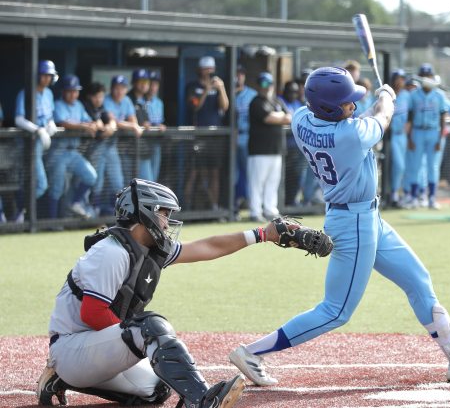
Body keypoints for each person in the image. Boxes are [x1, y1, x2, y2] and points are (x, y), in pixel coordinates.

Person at [228, 66, 450, 387]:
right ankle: (251, 352)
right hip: (353, 223)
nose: (353, 106)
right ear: (331, 108)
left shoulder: (303, 118)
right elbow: (381, 119)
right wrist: (386, 96)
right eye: (346, 102)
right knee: (336, 310)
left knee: (418, 280)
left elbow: (362, 118)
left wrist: (373, 100)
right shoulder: (350, 134)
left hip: (366, 217)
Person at [35, 178, 299, 407]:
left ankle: (60, 380)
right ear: (145, 213)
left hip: (93, 350)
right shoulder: (111, 252)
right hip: (72, 348)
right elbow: (92, 314)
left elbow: (207, 247)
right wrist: (137, 340)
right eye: (163, 212)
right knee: (150, 326)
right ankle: (203, 400)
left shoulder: (147, 248)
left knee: (157, 389)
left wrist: (263, 234)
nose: (167, 221)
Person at [47, 75, 98, 219]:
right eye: (69, 91)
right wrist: (83, 126)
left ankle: (75, 203)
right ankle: (52, 221)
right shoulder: (57, 104)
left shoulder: (79, 106)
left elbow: (89, 121)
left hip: (73, 153)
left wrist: (95, 124)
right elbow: (63, 123)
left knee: (91, 176)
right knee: (57, 188)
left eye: (75, 91)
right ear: (63, 91)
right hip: (58, 153)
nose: (73, 94)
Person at [14, 60, 58, 221]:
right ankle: (20, 211)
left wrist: (50, 124)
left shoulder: (49, 94)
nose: (47, 78)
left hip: (44, 144)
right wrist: (38, 130)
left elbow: (49, 116)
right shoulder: (25, 92)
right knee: (40, 184)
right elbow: (18, 119)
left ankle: (20, 213)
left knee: (38, 183)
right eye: (44, 75)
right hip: (28, 145)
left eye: (49, 75)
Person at [184, 56, 230, 210]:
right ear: (200, 70)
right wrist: (206, 90)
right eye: (206, 69)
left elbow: (224, 107)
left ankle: (214, 206)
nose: (208, 73)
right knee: (195, 172)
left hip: (215, 136)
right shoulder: (193, 86)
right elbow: (195, 107)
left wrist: (221, 88)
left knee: (214, 172)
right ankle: (188, 207)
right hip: (199, 135)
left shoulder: (217, 87)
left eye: (211, 69)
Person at [247, 72, 291, 221]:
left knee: (273, 182)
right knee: (257, 183)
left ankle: (270, 210)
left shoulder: (277, 101)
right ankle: (255, 211)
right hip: (259, 150)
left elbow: (289, 117)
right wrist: (280, 116)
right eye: (263, 84)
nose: (266, 88)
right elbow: (268, 118)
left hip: (276, 149)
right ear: (259, 86)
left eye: (269, 84)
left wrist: (278, 116)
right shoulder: (256, 102)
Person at [407, 64, 449, 210]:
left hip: (433, 132)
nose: (426, 78)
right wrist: (409, 138)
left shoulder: (439, 95)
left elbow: (443, 117)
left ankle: (432, 197)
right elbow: (410, 117)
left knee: (433, 166)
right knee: (415, 165)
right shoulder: (413, 95)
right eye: (424, 76)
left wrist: (440, 137)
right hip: (418, 131)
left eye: (429, 75)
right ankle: (413, 197)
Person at [102, 75, 142, 214]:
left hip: (114, 146)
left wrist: (132, 125)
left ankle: (112, 214)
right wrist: (131, 126)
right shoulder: (106, 100)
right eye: (116, 88)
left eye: (122, 88)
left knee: (117, 183)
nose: (119, 91)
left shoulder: (126, 101)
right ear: (111, 89)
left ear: (126, 90)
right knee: (99, 183)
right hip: (100, 144)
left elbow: (134, 121)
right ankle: (94, 213)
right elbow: (114, 121)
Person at [82, 81, 120, 216]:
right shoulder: (85, 106)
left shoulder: (101, 106)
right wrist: (101, 126)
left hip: (104, 148)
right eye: (96, 97)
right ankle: (93, 210)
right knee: (95, 182)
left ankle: (113, 213)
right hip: (87, 150)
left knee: (115, 182)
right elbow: (94, 123)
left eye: (101, 96)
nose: (98, 100)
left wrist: (111, 125)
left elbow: (109, 117)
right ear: (89, 97)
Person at [234, 65, 257, 213]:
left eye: (241, 74)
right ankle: (235, 203)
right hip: (231, 138)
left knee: (249, 172)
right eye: (236, 74)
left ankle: (249, 202)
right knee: (234, 174)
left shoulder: (252, 95)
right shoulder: (228, 93)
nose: (238, 77)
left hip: (247, 136)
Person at [387, 69, 412, 207]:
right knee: (394, 166)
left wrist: (409, 125)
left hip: (402, 135)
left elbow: (413, 113)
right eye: (398, 78)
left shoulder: (407, 95)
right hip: (389, 136)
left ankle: (399, 193)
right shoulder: (387, 95)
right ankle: (392, 194)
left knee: (402, 166)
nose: (400, 81)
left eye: (402, 78)